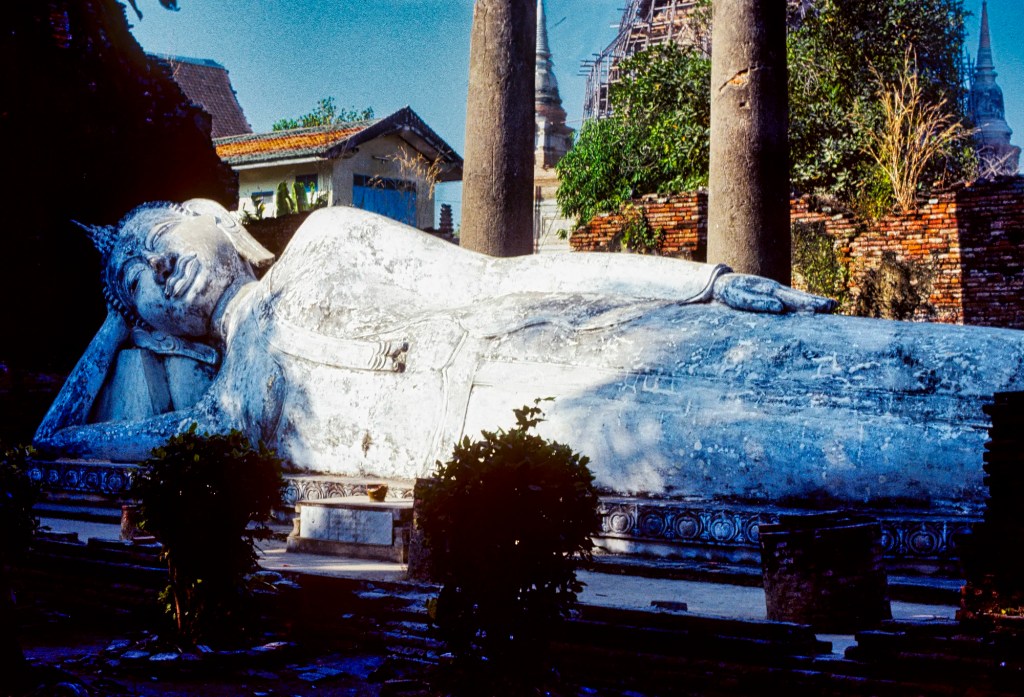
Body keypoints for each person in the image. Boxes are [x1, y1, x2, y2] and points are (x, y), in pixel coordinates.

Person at [34, 200, 1024, 507]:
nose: (166, 276)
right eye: (141, 286)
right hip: (543, 434)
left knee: (854, 359)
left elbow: (511, 277)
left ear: (212, 224)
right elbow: (57, 446)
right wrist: (112, 328)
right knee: (862, 452)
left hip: (567, 342)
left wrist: (699, 282)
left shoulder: (332, 237)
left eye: (164, 248)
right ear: (149, 326)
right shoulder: (227, 416)